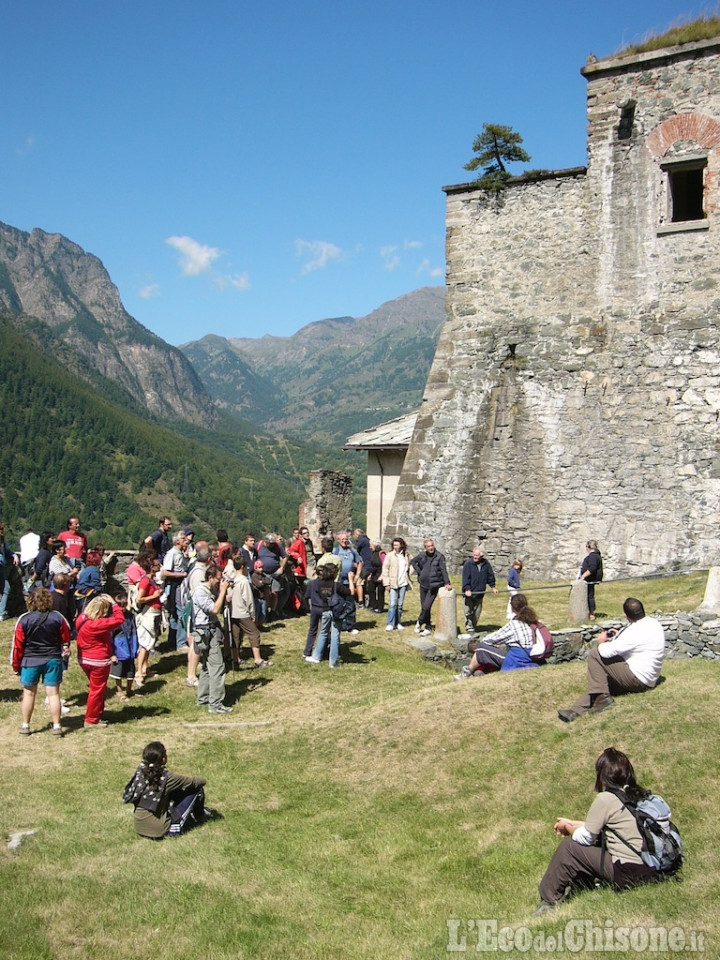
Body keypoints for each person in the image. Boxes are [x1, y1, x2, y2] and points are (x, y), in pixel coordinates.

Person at [536, 748, 662, 913]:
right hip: (654, 867)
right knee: (596, 840)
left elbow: (586, 838)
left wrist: (567, 828)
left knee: (569, 848)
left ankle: (548, 901)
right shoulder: (639, 794)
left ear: (603, 776)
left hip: (631, 873)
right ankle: (583, 886)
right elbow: (603, 827)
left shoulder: (606, 799)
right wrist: (573, 824)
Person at [558, 597, 665, 722]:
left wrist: (601, 642)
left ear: (626, 615)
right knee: (601, 686)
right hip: (649, 679)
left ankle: (603, 701)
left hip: (637, 679)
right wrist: (619, 635)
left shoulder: (634, 631)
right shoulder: (654, 623)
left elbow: (605, 652)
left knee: (594, 654)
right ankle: (574, 711)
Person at [11, 587, 71, 736]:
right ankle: (57, 726)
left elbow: (17, 645)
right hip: (52, 659)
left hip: (30, 660)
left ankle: (26, 725)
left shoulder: (24, 619)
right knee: (53, 694)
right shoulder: (57, 617)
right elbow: (66, 638)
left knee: (29, 694)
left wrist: (16, 665)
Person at [123, 741, 208, 839]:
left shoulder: (140, 773)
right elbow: (199, 781)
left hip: (139, 828)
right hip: (159, 831)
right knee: (197, 790)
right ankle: (199, 816)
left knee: (172, 792)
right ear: (163, 759)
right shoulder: (167, 778)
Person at [455, 593, 541, 677]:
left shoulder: (515, 624)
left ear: (512, 607)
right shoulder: (532, 621)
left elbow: (494, 638)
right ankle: (476, 672)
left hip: (518, 660)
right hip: (532, 657)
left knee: (481, 648)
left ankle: (466, 673)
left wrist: (486, 643)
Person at [75, 594, 125, 728]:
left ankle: (97, 712)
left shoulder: (82, 619)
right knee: (96, 690)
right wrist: (114, 603)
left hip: (84, 658)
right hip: (97, 661)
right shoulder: (98, 624)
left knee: (97, 688)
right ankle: (91, 720)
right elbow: (120, 619)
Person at [192, 564, 232, 714]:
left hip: (207, 630)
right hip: (205, 631)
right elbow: (214, 609)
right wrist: (222, 592)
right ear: (210, 578)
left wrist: (223, 595)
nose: (220, 582)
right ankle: (215, 704)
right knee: (218, 667)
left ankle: (203, 698)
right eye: (218, 579)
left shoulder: (208, 590)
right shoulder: (201, 592)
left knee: (207, 666)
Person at [226, 556, 271, 668]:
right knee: (254, 634)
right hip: (243, 612)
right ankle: (258, 660)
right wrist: (252, 614)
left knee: (236, 635)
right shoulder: (244, 581)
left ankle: (236, 659)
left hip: (232, 613)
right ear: (242, 567)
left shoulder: (231, 580)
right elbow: (248, 599)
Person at [306, 564, 351, 668]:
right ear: (334, 573)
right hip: (336, 612)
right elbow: (350, 592)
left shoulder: (320, 584)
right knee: (335, 635)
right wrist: (351, 580)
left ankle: (316, 656)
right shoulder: (336, 585)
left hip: (325, 610)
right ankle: (333, 661)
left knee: (323, 632)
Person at [410, 538, 451, 636]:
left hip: (434, 586)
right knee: (424, 606)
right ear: (425, 548)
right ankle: (428, 626)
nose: (431, 548)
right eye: (428, 546)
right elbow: (413, 561)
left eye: (432, 545)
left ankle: (419, 622)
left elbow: (443, 570)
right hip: (423, 584)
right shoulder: (422, 555)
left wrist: (447, 582)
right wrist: (419, 572)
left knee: (426, 606)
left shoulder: (439, 557)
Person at [134, 555, 163, 686]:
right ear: (151, 567)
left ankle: (145, 668)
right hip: (148, 615)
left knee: (150, 642)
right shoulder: (145, 581)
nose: (159, 567)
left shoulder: (152, 580)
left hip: (154, 613)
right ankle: (139, 672)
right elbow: (139, 599)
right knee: (145, 644)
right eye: (157, 565)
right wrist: (154, 596)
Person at [461, 546, 497, 635]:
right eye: (474, 555)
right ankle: (469, 627)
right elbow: (465, 578)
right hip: (469, 592)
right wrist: (467, 589)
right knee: (468, 611)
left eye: (477, 555)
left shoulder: (486, 563)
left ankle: (473, 626)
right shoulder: (468, 564)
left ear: (481, 556)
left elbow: (490, 575)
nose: (475, 557)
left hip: (480, 593)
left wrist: (493, 587)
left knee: (477, 612)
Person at [110, 590, 139, 701]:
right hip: (119, 649)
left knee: (131, 670)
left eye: (124, 605)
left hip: (130, 646)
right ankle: (119, 690)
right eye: (119, 606)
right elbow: (110, 637)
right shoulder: (113, 618)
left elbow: (134, 630)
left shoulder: (130, 616)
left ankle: (130, 689)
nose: (122, 608)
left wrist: (136, 646)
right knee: (119, 671)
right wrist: (112, 653)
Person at [382, 537, 410, 631]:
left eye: (397, 545)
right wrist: (386, 583)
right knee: (392, 604)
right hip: (393, 583)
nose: (395, 547)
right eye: (394, 545)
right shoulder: (390, 555)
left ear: (401, 545)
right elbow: (385, 569)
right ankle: (390, 623)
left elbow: (410, 565)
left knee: (400, 604)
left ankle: (398, 622)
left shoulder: (405, 555)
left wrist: (408, 576)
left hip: (403, 583)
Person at [579, 540, 603, 620]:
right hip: (589, 580)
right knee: (589, 596)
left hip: (589, 580)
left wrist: (583, 576)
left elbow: (592, 568)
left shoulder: (593, 556)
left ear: (588, 547)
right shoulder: (596, 556)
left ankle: (591, 614)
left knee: (589, 597)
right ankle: (589, 613)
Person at [0, 521, 18, 621]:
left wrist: (14, 556)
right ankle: (1, 613)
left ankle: (1, 612)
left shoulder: (3, 542)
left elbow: (9, 552)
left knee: (6, 589)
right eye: (1, 529)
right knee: (6, 589)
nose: (3, 531)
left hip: (2, 568)